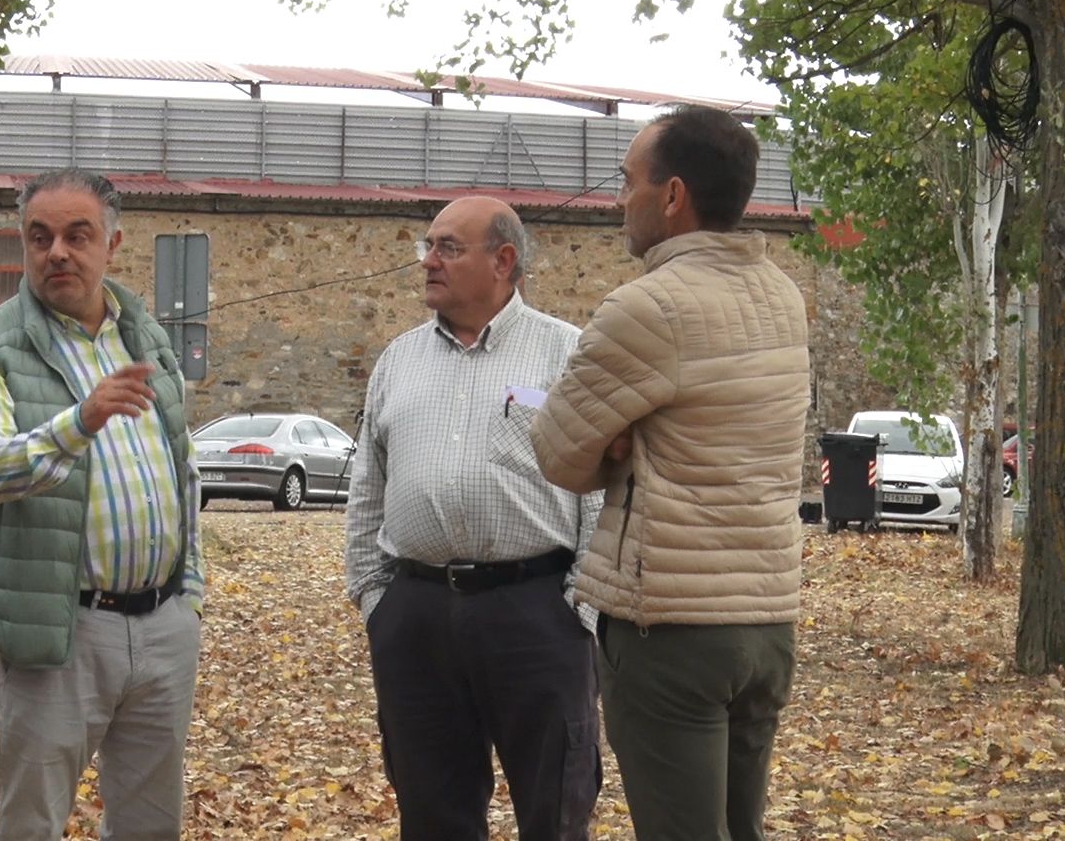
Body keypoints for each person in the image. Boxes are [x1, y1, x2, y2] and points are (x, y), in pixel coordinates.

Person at [530, 106, 810, 841]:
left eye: (629, 182)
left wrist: (621, 440)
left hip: (671, 626)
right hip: (767, 619)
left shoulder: (646, 308)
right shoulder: (784, 298)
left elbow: (556, 451)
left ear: (674, 195)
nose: (620, 200)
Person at [0, 168, 204, 841]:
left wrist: (190, 595)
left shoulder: (145, 339)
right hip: (57, 631)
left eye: (77, 235)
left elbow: (182, 471)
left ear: (112, 244)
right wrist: (78, 422)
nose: (56, 252)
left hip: (163, 624)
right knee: (31, 823)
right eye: (40, 237)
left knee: (150, 826)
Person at [346, 196, 604, 841]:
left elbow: (601, 491)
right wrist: (377, 600)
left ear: (503, 260)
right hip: (417, 616)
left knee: (555, 810)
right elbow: (367, 490)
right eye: (427, 246)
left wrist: (578, 608)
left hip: (537, 614)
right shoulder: (398, 360)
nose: (428, 261)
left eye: (448, 248)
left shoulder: (567, 353)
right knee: (432, 813)